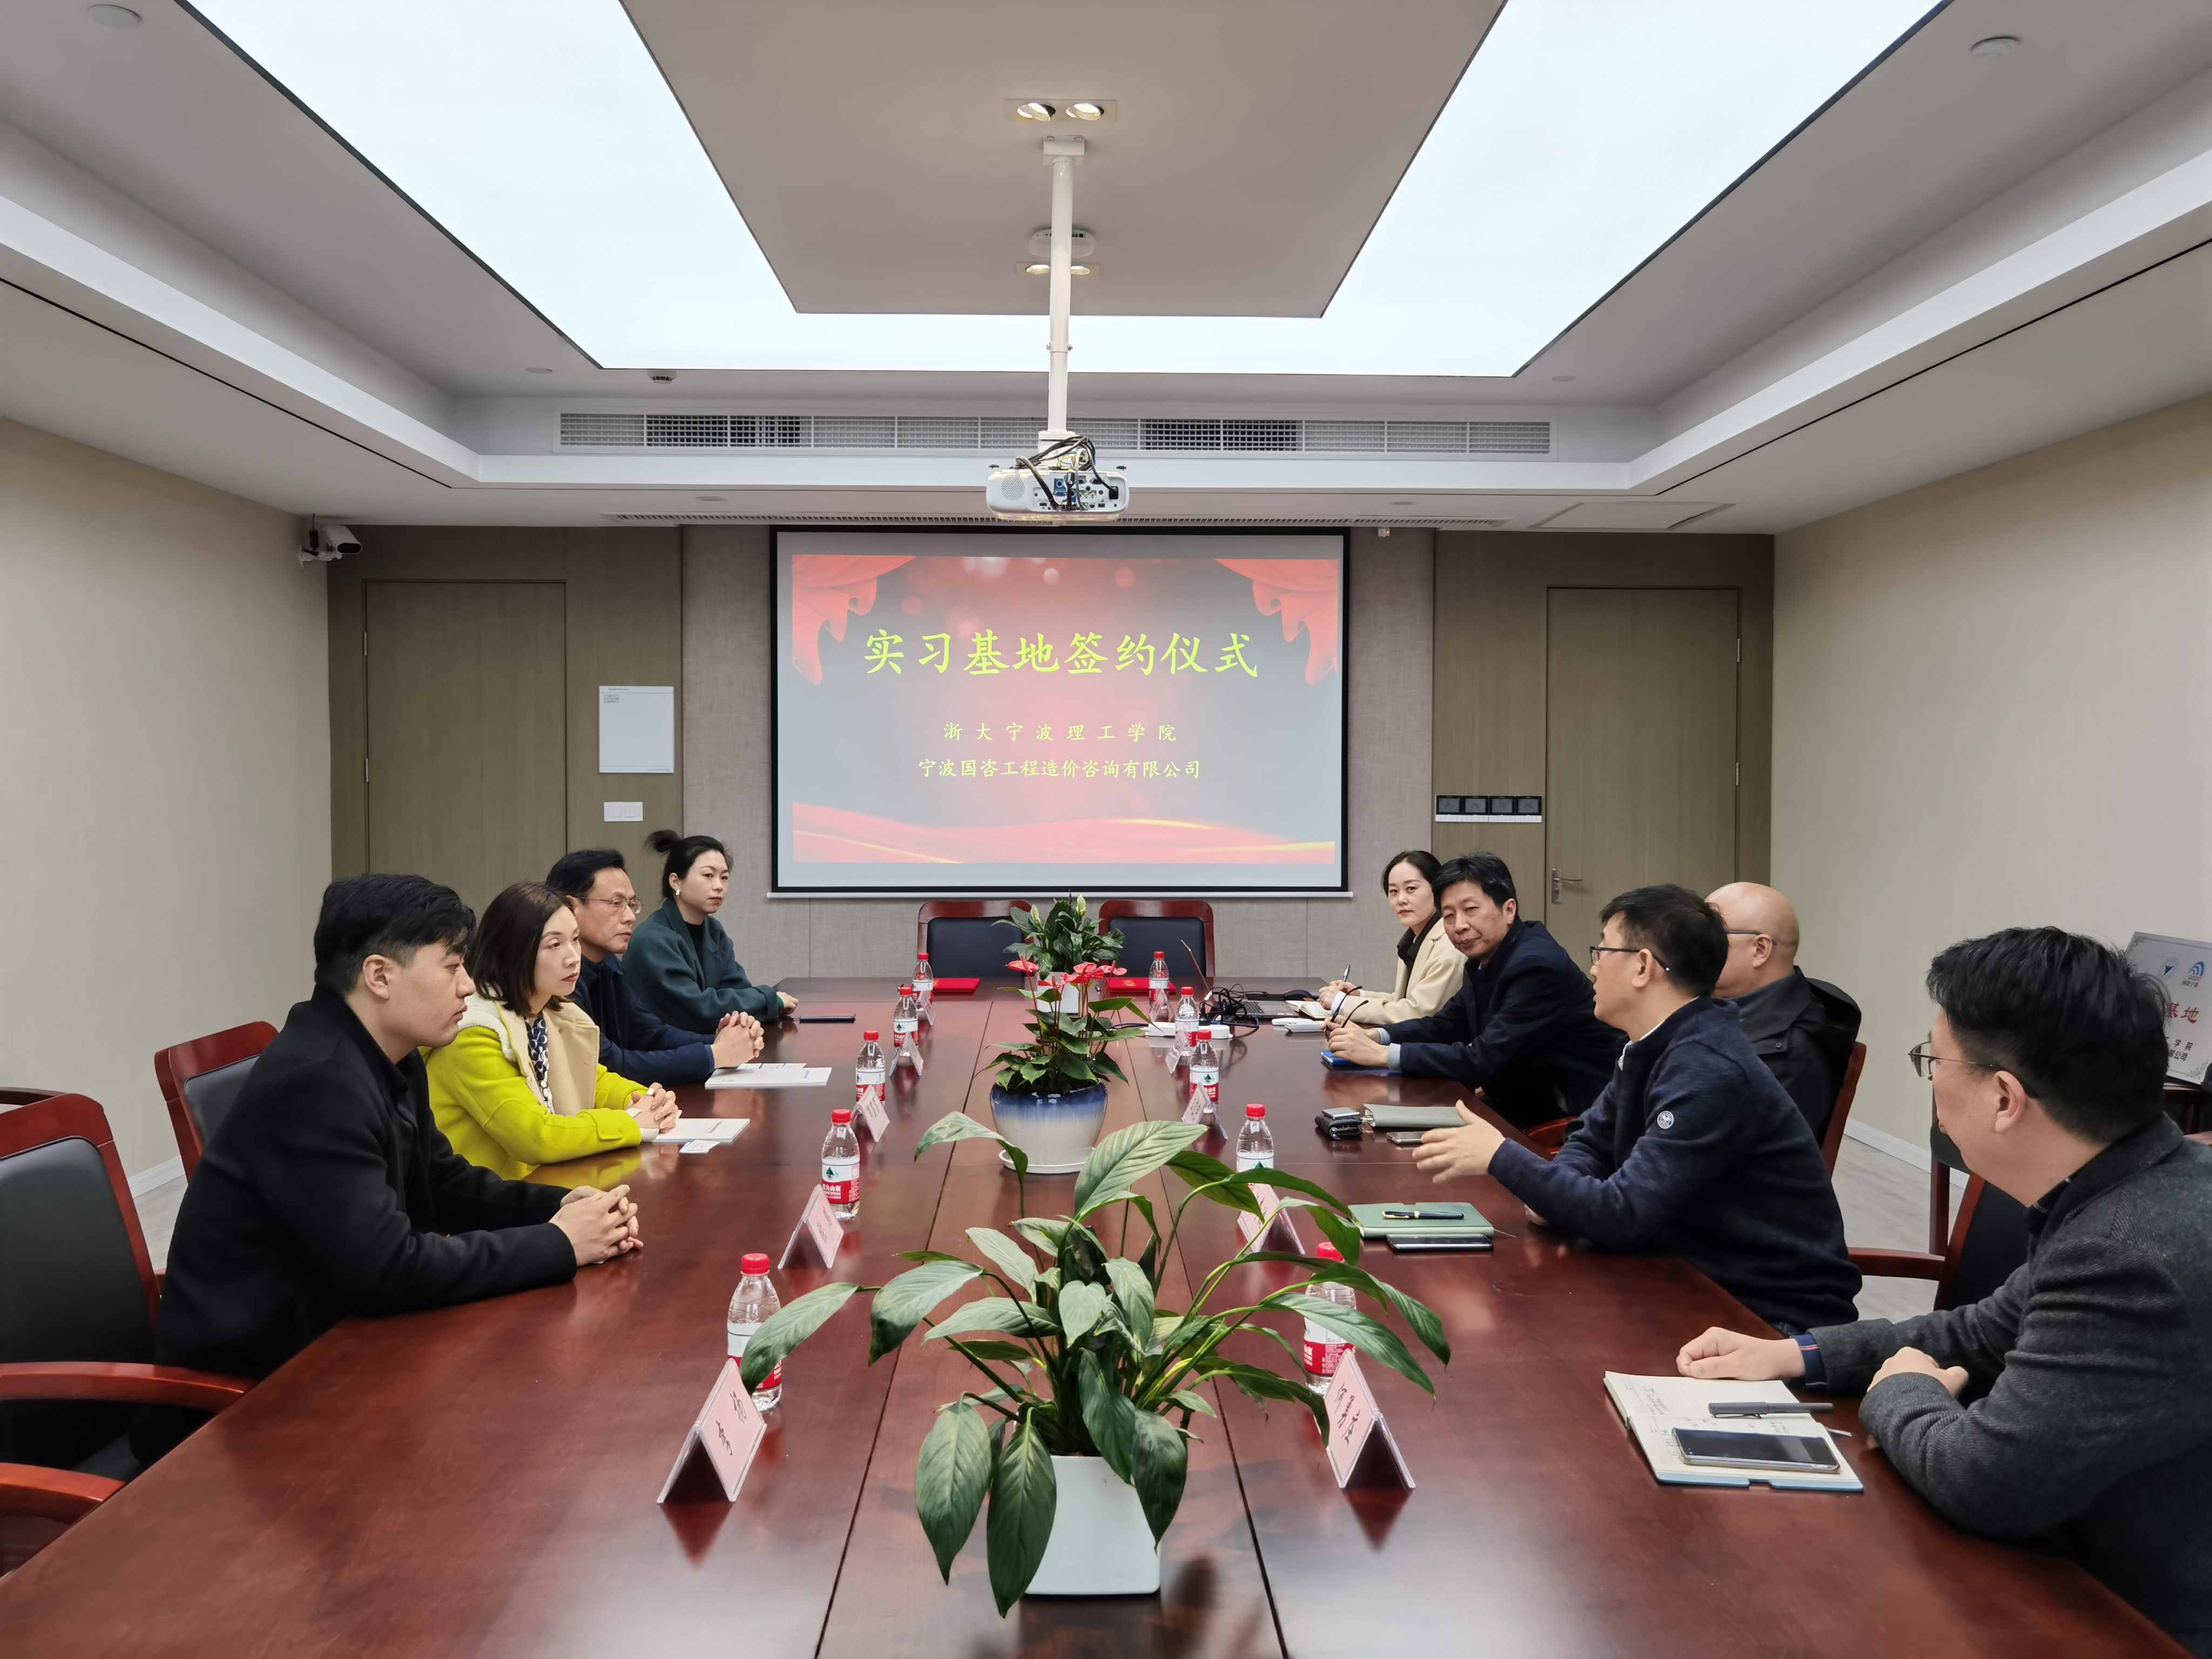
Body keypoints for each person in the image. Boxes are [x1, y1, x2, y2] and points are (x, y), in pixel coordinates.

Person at [1677, 928, 2212, 1654]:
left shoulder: (2128, 1252)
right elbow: (1983, 1331)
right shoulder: (2133, 1184)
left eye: (1933, 1061)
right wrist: (1795, 1355)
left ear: (2004, 1097)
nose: (1931, 1082)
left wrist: (1904, 1389)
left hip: (2133, 1614)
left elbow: (1988, 1483)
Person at [136, 875, 641, 1461]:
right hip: (247, 1410)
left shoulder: (388, 1056)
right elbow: (388, 1268)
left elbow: (443, 1182)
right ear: (379, 976)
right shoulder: (317, 1081)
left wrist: (564, 1206)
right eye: (451, 966)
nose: (468, 984)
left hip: (339, 1348)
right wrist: (558, 1244)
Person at [1413, 884, 1859, 1331]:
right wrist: (1555, 1197)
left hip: (1764, 1317)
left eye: (1602, 951)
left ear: (1643, 966)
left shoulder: (1710, 1069)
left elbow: (1623, 1215)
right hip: (1681, 1274)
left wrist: (1500, 1155)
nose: (1592, 968)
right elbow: (1591, 1140)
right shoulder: (1653, 1043)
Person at [1323, 853, 1622, 1128]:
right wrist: (1376, 1036)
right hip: (1522, 1096)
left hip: (1568, 1114)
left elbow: (1480, 1060)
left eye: (1471, 910)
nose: (1460, 926)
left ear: (1509, 910)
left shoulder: (1536, 966)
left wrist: (1381, 1055)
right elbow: (1446, 1025)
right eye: (1449, 916)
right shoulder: (1486, 958)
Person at [426, 881, 680, 1179]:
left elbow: (591, 1079)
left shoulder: (549, 1013)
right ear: (512, 951)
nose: (573, 957)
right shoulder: (473, 1032)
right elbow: (536, 1137)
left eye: (575, 939)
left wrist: (645, 1100)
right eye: (554, 945)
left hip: (540, 1185)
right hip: (486, 1201)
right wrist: (632, 1123)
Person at [547, 848, 764, 1088]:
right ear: (571, 907)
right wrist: (714, 1054)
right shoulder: (557, 980)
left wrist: (720, 1041)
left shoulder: (609, 964)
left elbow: (650, 1034)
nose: (630, 917)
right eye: (616, 903)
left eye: (631, 904)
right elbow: (610, 1066)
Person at [1708, 881, 1862, 1141]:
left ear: (1760, 949)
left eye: (1710, 935)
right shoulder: (1732, 1009)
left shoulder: (1785, 1054)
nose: (1693, 947)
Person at [625, 830, 795, 1028]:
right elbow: (697, 1010)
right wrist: (768, 1000)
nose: (719, 886)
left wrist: (758, 1004)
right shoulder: (652, 940)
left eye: (724, 877)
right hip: (665, 1044)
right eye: (708, 875)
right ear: (676, 881)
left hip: (708, 1039)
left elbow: (738, 990)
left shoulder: (714, 930)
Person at [1314, 849, 1466, 1026]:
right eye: (1393, 891)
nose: (1401, 899)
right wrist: (1358, 995)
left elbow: (1418, 1013)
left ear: (1437, 889)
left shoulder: (1449, 946)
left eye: (1411, 889)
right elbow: (1401, 1001)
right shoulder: (1414, 939)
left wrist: (1342, 1003)